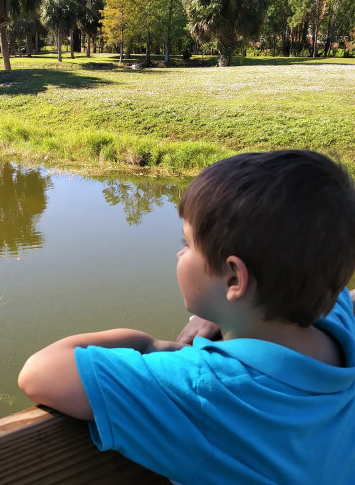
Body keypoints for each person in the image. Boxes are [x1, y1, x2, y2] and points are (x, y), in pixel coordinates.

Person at [18, 150, 355, 485]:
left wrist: (147, 343)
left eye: (188, 243)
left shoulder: (202, 388)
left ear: (234, 278)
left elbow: (39, 373)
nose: (180, 253)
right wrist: (225, 315)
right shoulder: (339, 330)